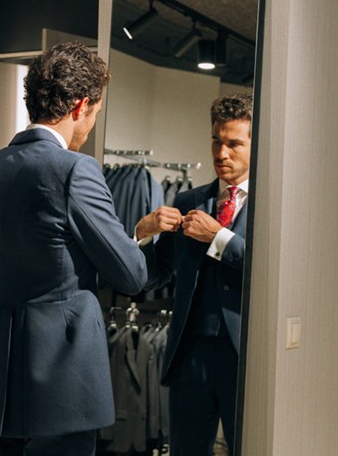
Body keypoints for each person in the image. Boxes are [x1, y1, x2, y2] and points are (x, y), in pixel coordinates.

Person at [0, 42, 148, 456]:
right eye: (95, 113)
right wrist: (137, 237)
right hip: (62, 388)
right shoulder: (75, 170)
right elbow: (131, 275)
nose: (91, 125)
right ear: (80, 106)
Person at [135, 93, 253, 455]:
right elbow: (155, 277)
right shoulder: (189, 201)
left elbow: (268, 271)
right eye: (216, 141)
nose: (221, 153)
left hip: (244, 355)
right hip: (190, 353)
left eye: (234, 144)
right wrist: (143, 235)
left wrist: (218, 237)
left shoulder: (271, 204)